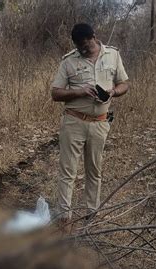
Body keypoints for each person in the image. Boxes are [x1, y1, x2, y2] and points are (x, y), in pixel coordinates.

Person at [51, 23, 129, 228]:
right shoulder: (68, 61)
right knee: (68, 171)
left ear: (94, 37)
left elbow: (124, 84)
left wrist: (113, 92)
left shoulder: (112, 55)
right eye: (79, 47)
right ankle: (64, 218)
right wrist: (80, 91)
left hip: (100, 124)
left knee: (94, 170)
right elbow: (55, 93)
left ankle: (90, 217)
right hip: (73, 122)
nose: (83, 50)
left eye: (86, 46)